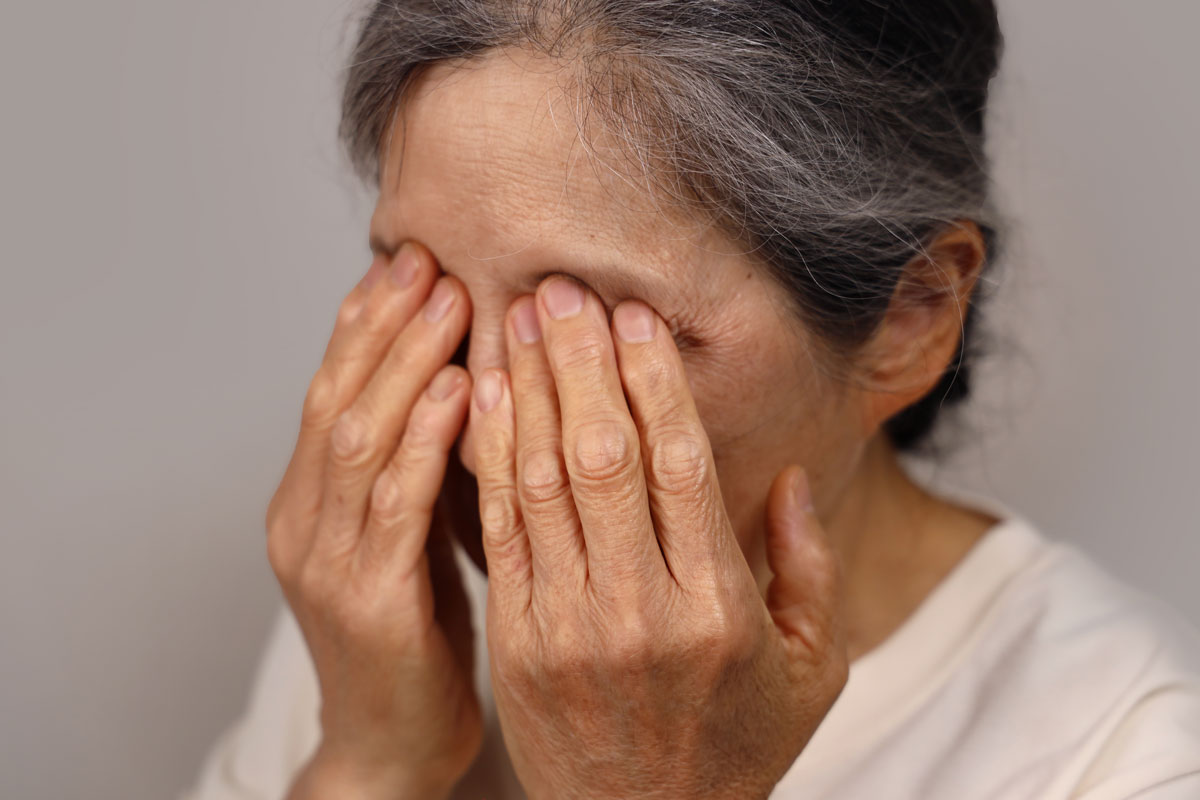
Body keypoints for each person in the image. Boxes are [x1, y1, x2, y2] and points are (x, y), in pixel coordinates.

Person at [183, 1, 1200, 798]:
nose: (480, 446)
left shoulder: (1128, 750)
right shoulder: (394, 613)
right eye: (426, 296)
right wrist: (367, 760)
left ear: (913, 315)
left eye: (586, 328)